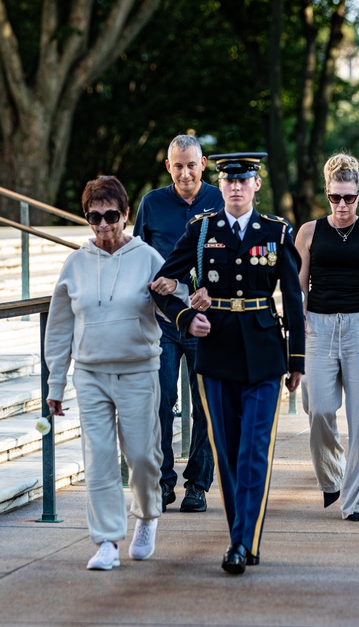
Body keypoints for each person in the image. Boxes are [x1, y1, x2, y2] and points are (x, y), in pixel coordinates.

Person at [149, 152, 305, 575]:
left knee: (255, 450)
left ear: (256, 185)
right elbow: (160, 285)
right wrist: (185, 317)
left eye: (244, 179)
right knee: (228, 453)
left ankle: (240, 541)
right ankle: (243, 536)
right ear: (221, 185)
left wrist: (297, 360)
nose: (236, 186)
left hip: (264, 353)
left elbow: (292, 298)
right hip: (215, 353)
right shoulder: (201, 232)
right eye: (228, 180)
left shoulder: (276, 232)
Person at [44, 175, 188, 570]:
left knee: (142, 456)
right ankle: (106, 540)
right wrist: (55, 382)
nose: (104, 225)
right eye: (95, 217)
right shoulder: (75, 263)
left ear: (126, 214)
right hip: (90, 374)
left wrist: (183, 294)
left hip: (139, 369)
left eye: (112, 216)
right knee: (100, 458)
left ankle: (146, 514)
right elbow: (58, 329)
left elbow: (176, 299)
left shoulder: (147, 257)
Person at [294, 152, 359, 522]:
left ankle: (355, 502)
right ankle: (331, 477)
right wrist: (295, 330)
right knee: (318, 409)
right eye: (335, 197)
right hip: (317, 325)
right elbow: (299, 287)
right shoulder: (309, 232)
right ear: (326, 194)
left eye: (349, 197)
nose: (342, 204)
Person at [133, 134, 224, 513]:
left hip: (206, 320)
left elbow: (235, 255)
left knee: (205, 405)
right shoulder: (152, 203)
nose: (185, 173)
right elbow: (137, 255)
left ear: (203, 165)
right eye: (178, 166)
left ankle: (198, 485)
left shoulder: (221, 200)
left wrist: (193, 282)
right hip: (163, 321)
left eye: (192, 165)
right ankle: (163, 481)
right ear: (168, 167)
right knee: (160, 401)